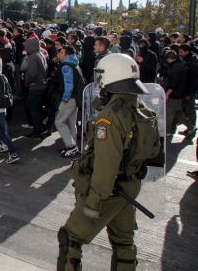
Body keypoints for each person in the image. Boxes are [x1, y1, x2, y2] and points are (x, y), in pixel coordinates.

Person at [57, 53, 160, 271]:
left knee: (71, 239)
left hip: (107, 192)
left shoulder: (111, 116)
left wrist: (93, 203)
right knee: (124, 244)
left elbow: (106, 164)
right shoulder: (142, 109)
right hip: (128, 189)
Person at [54, 45, 81, 157]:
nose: (58, 55)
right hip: (76, 98)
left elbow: (68, 86)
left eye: (61, 53)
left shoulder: (66, 66)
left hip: (69, 98)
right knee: (71, 123)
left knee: (59, 122)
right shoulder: (75, 63)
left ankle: (71, 146)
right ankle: (72, 146)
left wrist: (65, 99)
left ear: (67, 55)